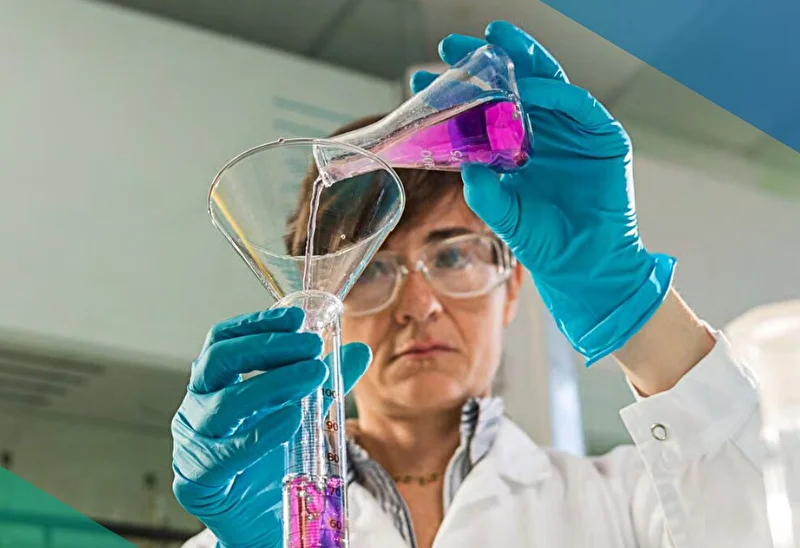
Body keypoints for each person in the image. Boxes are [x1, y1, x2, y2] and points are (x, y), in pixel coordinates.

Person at [172, 21, 774, 548]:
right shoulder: (256, 527)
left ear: (510, 288)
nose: (419, 304)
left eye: (454, 256)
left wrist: (629, 301)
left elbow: (751, 523)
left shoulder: (624, 505)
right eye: (373, 267)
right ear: (319, 305)